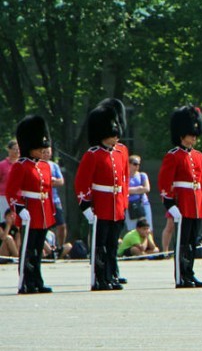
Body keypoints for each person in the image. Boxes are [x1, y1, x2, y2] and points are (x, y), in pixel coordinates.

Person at [75, 99, 129, 291]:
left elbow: (124, 181)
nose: (115, 138)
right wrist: (86, 207)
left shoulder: (121, 152)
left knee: (113, 244)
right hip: (101, 205)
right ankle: (100, 278)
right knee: (100, 245)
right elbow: (82, 182)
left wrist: (124, 204)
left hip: (116, 204)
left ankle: (110, 275)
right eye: (110, 135)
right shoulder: (93, 154)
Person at [5, 116, 56, 294]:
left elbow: (48, 191)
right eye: (39, 147)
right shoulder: (21, 166)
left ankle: (37, 279)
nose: (43, 150)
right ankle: (26, 280)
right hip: (29, 211)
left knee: (38, 248)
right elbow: (11, 191)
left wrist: (52, 212)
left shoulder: (45, 167)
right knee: (27, 249)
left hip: (43, 212)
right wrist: (19, 209)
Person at [158, 105, 202, 288]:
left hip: (196, 203)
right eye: (190, 133)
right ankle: (181, 276)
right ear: (181, 134)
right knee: (183, 241)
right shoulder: (173, 156)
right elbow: (164, 182)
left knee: (192, 242)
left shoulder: (199, 156)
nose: (194, 137)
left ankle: (190, 272)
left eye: (195, 134)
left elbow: (201, 182)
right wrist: (170, 204)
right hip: (183, 203)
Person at [41, 146, 67, 255]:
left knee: (61, 225)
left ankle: (59, 247)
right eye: (44, 152)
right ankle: (46, 249)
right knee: (42, 226)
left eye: (48, 152)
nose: (46, 154)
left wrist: (51, 182)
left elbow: (61, 181)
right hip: (43, 200)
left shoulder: (54, 166)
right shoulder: (37, 165)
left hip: (54, 200)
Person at [126, 154, 152, 231]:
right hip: (129, 206)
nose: (137, 166)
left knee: (147, 229)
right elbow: (123, 191)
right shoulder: (124, 176)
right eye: (135, 164)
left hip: (143, 204)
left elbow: (147, 189)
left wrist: (130, 190)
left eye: (138, 164)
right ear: (129, 164)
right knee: (133, 230)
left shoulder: (142, 175)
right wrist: (138, 189)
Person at [0, 140, 20, 220]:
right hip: (4, 198)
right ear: (9, 150)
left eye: (19, 149)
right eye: (15, 149)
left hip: (19, 197)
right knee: (4, 221)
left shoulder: (23, 164)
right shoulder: (2, 165)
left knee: (18, 221)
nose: (17, 151)